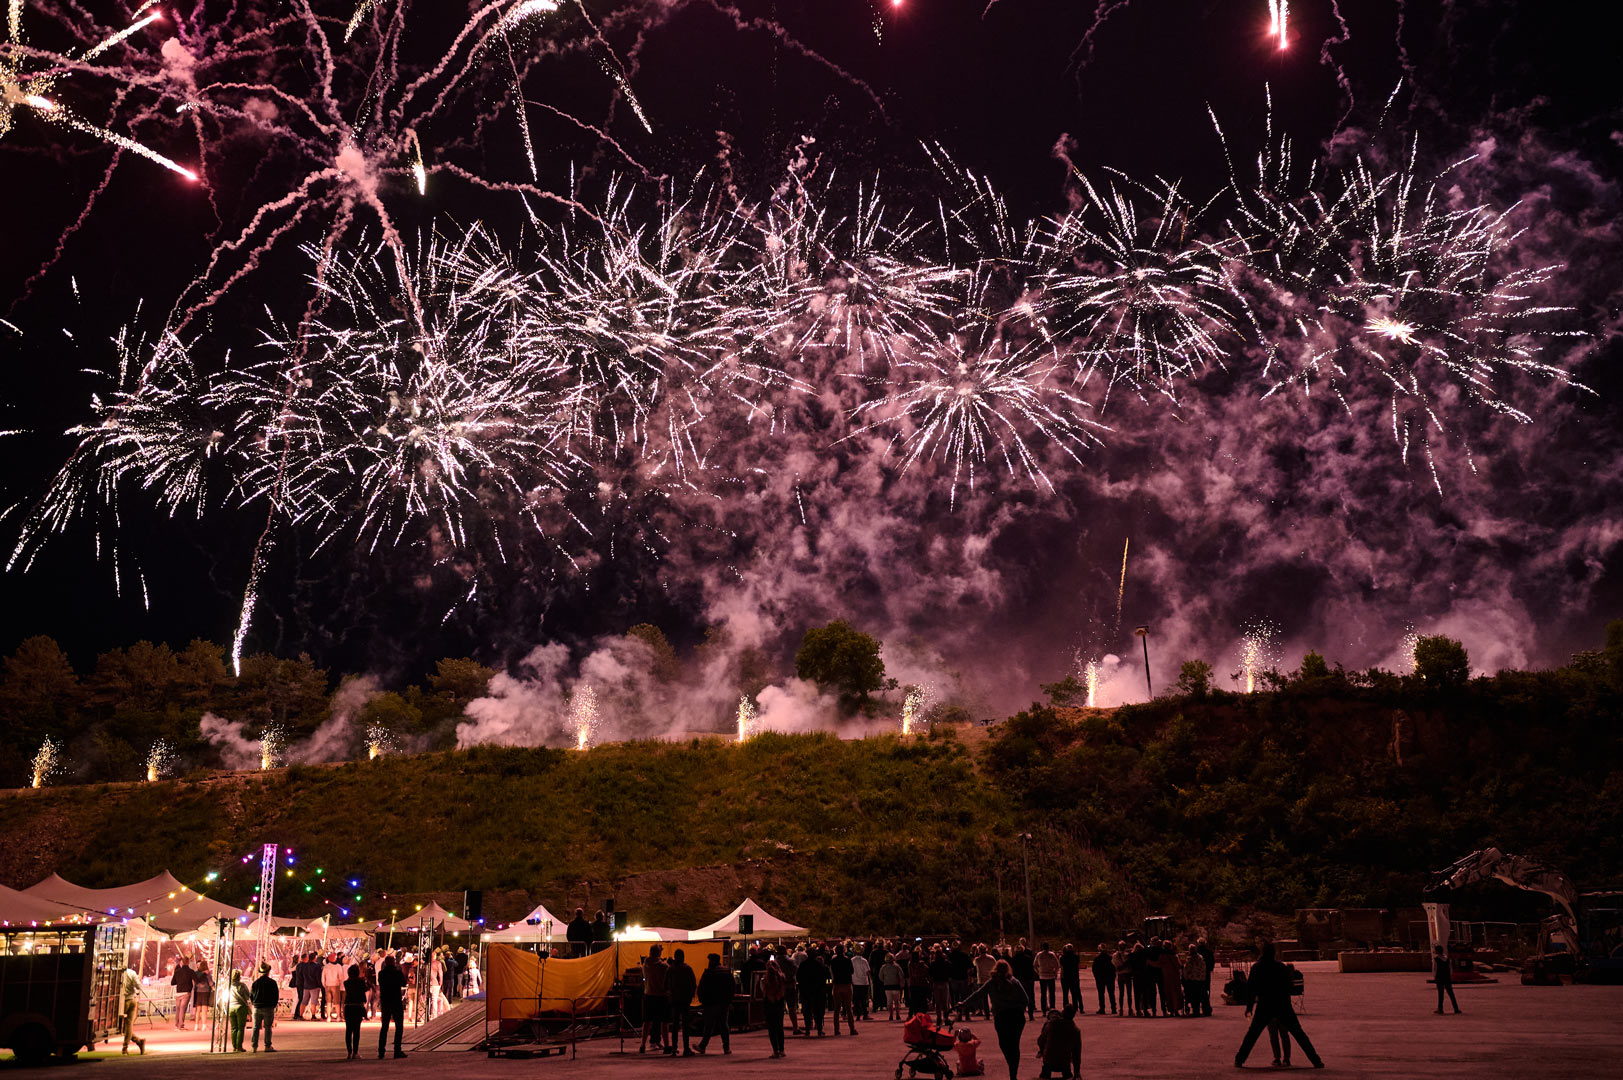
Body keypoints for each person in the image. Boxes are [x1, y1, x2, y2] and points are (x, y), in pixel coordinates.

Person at [1234, 943, 1323, 1069]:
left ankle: (1240, 1059)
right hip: (1282, 1004)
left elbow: (1251, 990)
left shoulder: (1257, 968)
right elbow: (1289, 986)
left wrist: (1249, 1008)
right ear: (1273, 953)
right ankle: (1316, 1060)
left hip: (1264, 1004)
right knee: (1299, 1033)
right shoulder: (1281, 967)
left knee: (1252, 1034)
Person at [955, 959, 1030, 1080]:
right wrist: (1018, 1008)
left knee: (1004, 1044)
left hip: (1001, 1017)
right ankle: (1013, 1073)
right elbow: (1026, 999)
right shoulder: (1015, 981)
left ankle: (1011, 1065)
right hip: (1017, 1017)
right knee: (1015, 1045)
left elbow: (978, 994)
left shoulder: (992, 982)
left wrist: (964, 1003)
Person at [696, 954, 734, 1055]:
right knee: (723, 1025)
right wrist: (729, 1000)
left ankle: (703, 1046)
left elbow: (702, 987)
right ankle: (726, 1047)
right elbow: (731, 987)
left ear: (712, 961)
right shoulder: (726, 971)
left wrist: (702, 1000)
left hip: (711, 1003)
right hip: (723, 1002)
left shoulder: (708, 972)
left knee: (709, 1026)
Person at [1037, 1005, 1082, 1080]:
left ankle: (1044, 1075)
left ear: (1063, 1013)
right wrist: (1077, 1072)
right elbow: (1077, 1053)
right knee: (1067, 1072)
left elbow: (1040, 1041)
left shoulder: (1051, 1024)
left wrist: (1042, 1050)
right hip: (1064, 1062)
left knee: (1045, 1071)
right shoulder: (1075, 1030)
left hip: (1049, 1060)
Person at [378, 952, 408, 1059]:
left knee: (384, 1027)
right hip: (396, 1001)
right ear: (394, 962)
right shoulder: (397, 973)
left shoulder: (381, 974)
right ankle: (397, 1050)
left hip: (386, 1001)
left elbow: (381, 984)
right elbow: (403, 983)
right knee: (399, 1027)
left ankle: (381, 1051)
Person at [667, 947, 696, 1056]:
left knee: (674, 1025)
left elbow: (665, 984)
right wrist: (691, 995)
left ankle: (674, 1048)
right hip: (685, 1000)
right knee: (685, 1025)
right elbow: (693, 983)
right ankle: (686, 1048)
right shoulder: (687, 968)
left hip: (674, 1000)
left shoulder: (670, 969)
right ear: (683, 957)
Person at [639, 944, 669, 1053]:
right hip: (661, 996)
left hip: (648, 994)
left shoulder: (645, 965)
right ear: (659, 953)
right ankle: (667, 1046)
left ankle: (642, 1045)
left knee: (647, 1022)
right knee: (664, 1022)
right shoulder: (663, 966)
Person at [116, 962, 146, 1055]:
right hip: (132, 1000)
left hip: (123, 1002)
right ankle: (138, 1042)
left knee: (121, 1025)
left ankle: (125, 1048)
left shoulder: (117, 974)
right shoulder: (132, 972)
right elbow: (138, 986)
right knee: (128, 1025)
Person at [797, 947, 828, 1036]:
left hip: (806, 991)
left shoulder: (803, 965)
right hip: (817, 991)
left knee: (807, 1011)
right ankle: (819, 1029)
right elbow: (823, 977)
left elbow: (799, 977)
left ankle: (807, 1029)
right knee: (818, 1011)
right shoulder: (819, 965)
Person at [763, 955, 789, 1058]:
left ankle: (775, 1050)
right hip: (779, 1003)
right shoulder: (782, 977)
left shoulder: (765, 979)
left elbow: (764, 992)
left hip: (769, 1003)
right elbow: (782, 992)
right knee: (779, 1028)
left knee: (771, 1028)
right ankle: (782, 1049)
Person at [830, 943, 858, 1035]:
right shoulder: (847, 960)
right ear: (844, 950)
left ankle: (836, 1029)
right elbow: (852, 971)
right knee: (848, 1008)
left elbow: (832, 971)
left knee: (837, 1009)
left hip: (837, 984)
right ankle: (852, 1029)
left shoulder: (833, 961)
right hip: (846, 984)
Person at [250, 962, 279, 1053]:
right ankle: (267, 1046)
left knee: (255, 1027)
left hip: (257, 1007)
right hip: (268, 1007)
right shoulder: (272, 983)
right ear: (268, 972)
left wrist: (254, 1003)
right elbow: (276, 995)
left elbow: (251, 995)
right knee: (268, 1027)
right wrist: (273, 1005)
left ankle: (254, 1046)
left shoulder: (255, 983)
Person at [343, 963, 368, 1060]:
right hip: (358, 1006)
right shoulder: (361, 982)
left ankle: (349, 1052)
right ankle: (355, 1052)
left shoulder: (346, 983)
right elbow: (365, 989)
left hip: (348, 1007)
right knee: (356, 1030)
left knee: (348, 1030)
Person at [1155, 941, 1184, 1016]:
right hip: (1175, 976)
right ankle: (1177, 1009)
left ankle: (1171, 1010)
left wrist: (1149, 962)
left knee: (1168, 994)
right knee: (1176, 993)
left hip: (1166, 976)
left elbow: (1158, 964)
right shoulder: (1174, 955)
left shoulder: (1163, 955)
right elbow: (1178, 965)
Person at [1011, 941, 1037, 1020]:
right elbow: (1031, 969)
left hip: (1017, 981)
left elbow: (1012, 971)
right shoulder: (1028, 958)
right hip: (1027, 980)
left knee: (1018, 998)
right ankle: (1031, 1015)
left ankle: (1019, 1014)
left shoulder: (1013, 959)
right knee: (1029, 997)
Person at [930, 945, 954, 1027]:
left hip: (936, 983)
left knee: (937, 1002)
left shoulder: (933, 963)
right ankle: (946, 1018)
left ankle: (938, 1018)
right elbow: (951, 970)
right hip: (944, 982)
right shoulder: (946, 962)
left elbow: (931, 973)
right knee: (945, 1002)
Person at [1433, 945, 1462, 1014]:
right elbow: (1451, 969)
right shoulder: (1448, 959)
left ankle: (1440, 1009)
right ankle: (1456, 1008)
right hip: (1447, 978)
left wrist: (1435, 977)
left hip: (1439, 978)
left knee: (1441, 994)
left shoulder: (1436, 959)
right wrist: (1449, 976)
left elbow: (1435, 969)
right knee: (1451, 994)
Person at [227, 968, 250, 1051]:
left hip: (231, 1007)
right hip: (241, 1007)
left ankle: (234, 1046)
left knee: (233, 1028)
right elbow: (248, 996)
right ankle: (239, 1046)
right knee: (240, 1028)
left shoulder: (228, 985)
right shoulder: (242, 985)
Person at [973, 944, 998, 1019]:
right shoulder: (992, 958)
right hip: (991, 979)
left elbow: (974, 965)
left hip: (981, 981)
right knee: (993, 997)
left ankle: (987, 1015)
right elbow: (995, 967)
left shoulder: (977, 960)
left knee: (984, 999)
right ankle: (995, 1012)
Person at [1088, 944, 1114, 1015]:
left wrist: (1096, 977)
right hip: (1109, 977)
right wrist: (1113, 976)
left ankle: (1102, 1008)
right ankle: (1113, 1008)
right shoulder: (1110, 958)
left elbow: (1094, 969)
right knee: (1111, 993)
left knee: (1101, 994)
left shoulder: (1097, 958)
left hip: (1100, 978)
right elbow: (1113, 968)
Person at [1182, 946, 1208, 1017]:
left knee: (1194, 996)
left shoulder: (1190, 959)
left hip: (1192, 980)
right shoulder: (1200, 957)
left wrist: (1185, 978)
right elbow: (1203, 968)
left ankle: (1195, 1011)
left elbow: (1186, 970)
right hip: (1200, 979)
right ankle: (1204, 1010)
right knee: (1200, 995)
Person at [1034, 943, 1060, 1013]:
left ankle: (1044, 1008)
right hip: (1050, 975)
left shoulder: (1039, 955)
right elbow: (1057, 965)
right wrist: (1055, 972)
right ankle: (1052, 1007)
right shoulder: (1052, 954)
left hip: (1042, 976)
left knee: (1043, 993)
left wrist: (1038, 972)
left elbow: (1035, 965)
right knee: (1052, 993)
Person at [171, 957, 195, 1029]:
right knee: (182, 1008)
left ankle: (176, 1024)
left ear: (182, 962)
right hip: (186, 992)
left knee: (178, 1008)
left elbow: (172, 982)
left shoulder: (177, 971)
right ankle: (181, 1024)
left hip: (178, 992)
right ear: (188, 962)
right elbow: (196, 979)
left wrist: (179, 981)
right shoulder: (190, 971)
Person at [879, 952, 904, 1021]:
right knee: (897, 1001)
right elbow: (901, 975)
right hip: (896, 985)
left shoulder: (883, 967)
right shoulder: (897, 966)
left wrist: (885, 980)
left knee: (889, 1001)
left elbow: (880, 977)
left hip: (887, 986)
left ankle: (891, 1015)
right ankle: (898, 1015)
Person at [851, 943, 873, 1020]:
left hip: (855, 982)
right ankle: (865, 1014)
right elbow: (868, 972)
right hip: (864, 982)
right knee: (864, 1000)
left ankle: (857, 1014)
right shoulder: (864, 961)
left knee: (856, 1000)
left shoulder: (851, 960)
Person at [190, 959, 213, 1031]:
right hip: (205, 992)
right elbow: (210, 983)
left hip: (198, 992)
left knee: (198, 1010)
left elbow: (195, 982)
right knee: (204, 1010)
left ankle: (196, 1026)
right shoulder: (207, 974)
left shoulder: (196, 973)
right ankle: (204, 1025)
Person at [1112, 942, 1133, 1018]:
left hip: (1120, 975)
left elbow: (1114, 965)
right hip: (1127, 974)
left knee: (1121, 993)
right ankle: (1130, 1009)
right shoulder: (1128, 955)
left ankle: (1121, 1009)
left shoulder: (1115, 955)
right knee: (1129, 993)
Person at [1059, 944, 1082, 1012]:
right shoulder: (1076, 957)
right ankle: (1075, 1007)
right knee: (1074, 993)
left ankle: (1065, 1007)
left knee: (1065, 993)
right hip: (1074, 976)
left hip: (1065, 977)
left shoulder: (1063, 957)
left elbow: (1062, 966)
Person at [323, 953, 345, 1021]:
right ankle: (338, 1016)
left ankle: (328, 1017)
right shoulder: (338, 966)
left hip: (327, 985)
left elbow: (323, 978)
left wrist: (325, 985)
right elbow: (341, 977)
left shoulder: (326, 966)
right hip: (335, 985)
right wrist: (339, 982)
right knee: (337, 1002)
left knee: (328, 1002)